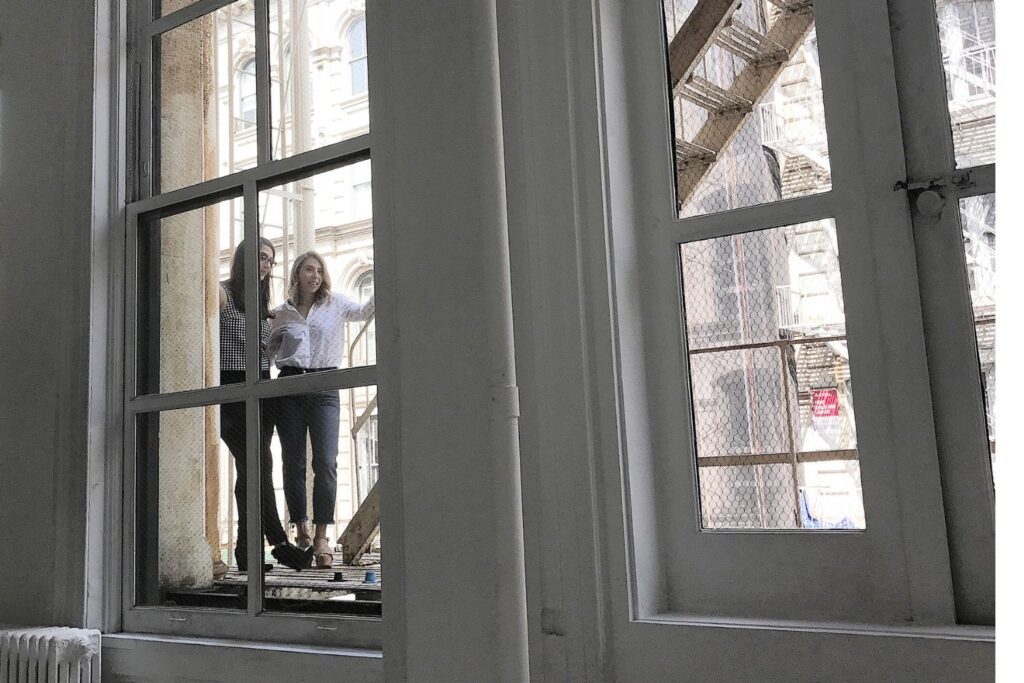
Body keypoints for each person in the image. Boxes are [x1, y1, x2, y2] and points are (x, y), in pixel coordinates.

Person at [269, 250, 375, 569]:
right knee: (293, 463)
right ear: (297, 275)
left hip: (326, 385)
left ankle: (321, 538)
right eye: (308, 270)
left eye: (319, 270)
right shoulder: (282, 312)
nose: (315, 275)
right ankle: (300, 531)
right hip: (289, 386)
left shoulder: (337, 303)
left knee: (326, 462)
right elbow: (267, 348)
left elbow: (366, 310)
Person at [219, 238, 313, 573]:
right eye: (261, 257)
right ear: (244, 258)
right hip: (231, 390)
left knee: (254, 470)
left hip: (262, 387)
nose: (266, 265)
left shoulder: (263, 301)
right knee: (255, 465)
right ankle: (278, 541)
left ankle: (248, 554)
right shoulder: (223, 293)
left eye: (271, 261)